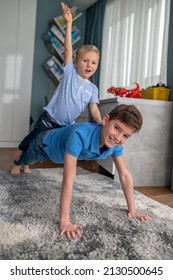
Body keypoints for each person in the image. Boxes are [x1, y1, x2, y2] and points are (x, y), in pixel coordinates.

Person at [12, 104, 152, 240]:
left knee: (29, 162)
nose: (118, 137)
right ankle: (17, 163)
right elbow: (68, 178)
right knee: (26, 159)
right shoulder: (79, 135)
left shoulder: (114, 144)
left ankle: (24, 164)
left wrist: (132, 210)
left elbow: (125, 175)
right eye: (116, 128)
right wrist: (65, 221)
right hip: (44, 145)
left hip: (59, 152)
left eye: (125, 136)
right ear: (105, 120)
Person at [11, 2, 102, 176]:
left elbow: (94, 110)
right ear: (76, 63)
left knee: (42, 146)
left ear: (96, 66)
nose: (89, 64)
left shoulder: (93, 89)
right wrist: (68, 23)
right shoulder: (69, 73)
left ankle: (27, 161)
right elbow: (68, 49)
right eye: (85, 60)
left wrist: (100, 122)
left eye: (93, 62)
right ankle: (18, 158)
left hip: (65, 125)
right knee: (32, 139)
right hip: (49, 118)